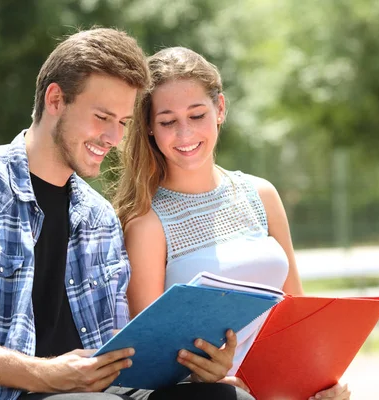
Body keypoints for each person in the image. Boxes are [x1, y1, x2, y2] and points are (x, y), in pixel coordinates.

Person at [0, 29, 251, 400]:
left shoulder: (99, 217)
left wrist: (198, 372)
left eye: (122, 122)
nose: (113, 137)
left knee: (225, 396)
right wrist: (47, 374)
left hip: (96, 391)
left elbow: (122, 355)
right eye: (102, 117)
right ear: (56, 99)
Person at [113, 47, 352, 400]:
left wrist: (321, 383)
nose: (184, 134)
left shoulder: (262, 194)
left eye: (197, 115)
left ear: (220, 109)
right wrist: (206, 379)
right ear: (148, 126)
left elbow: (298, 312)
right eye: (167, 121)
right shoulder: (146, 223)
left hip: (278, 387)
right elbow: (151, 358)